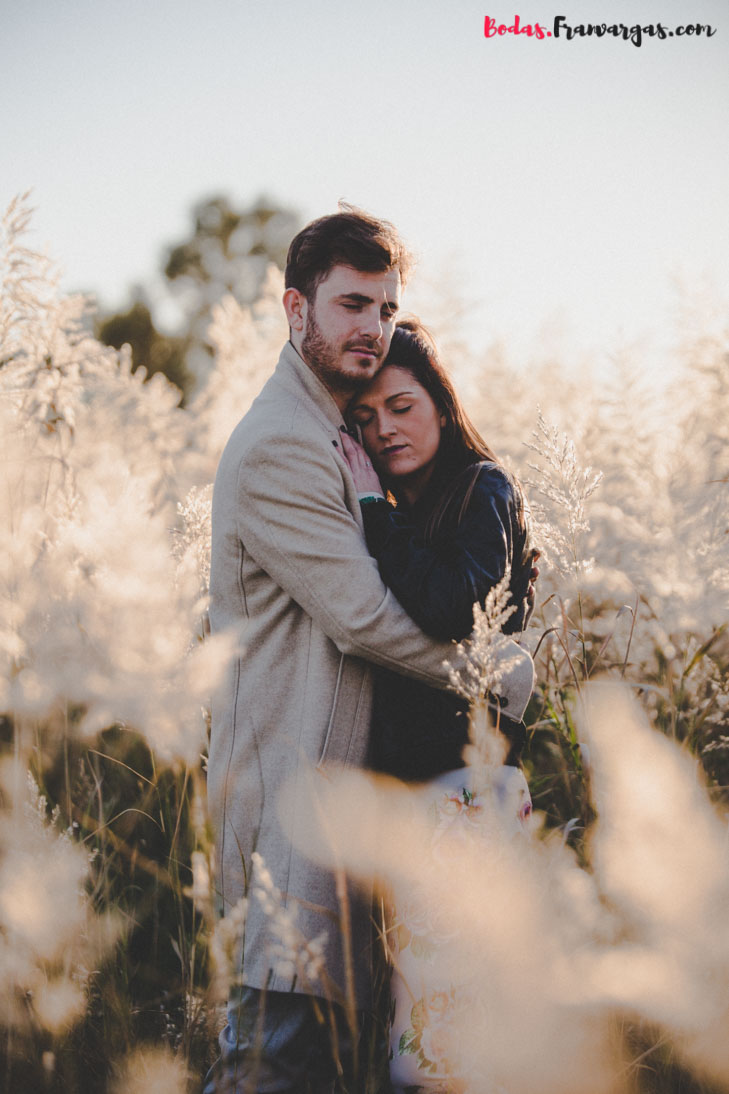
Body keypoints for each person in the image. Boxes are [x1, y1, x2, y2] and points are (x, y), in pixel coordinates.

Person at [205, 209, 535, 1093]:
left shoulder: (340, 427)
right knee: (272, 1065)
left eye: (385, 309)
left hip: (348, 810)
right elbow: (361, 618)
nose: (371, 327)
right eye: (351, 303)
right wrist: (494, 673)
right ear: (294, 308)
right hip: (291, 807)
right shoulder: (284, 440)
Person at [340, 318, 538, 1090]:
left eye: (400, 406)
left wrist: (371, 508)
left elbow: (458, 607)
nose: (384, 429)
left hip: (467, 799)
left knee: (450, 1051)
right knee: (418, 1040)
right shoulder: (408, 511)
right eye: (365, 420)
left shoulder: (479, 488)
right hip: (411, 808)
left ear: (440, 404)